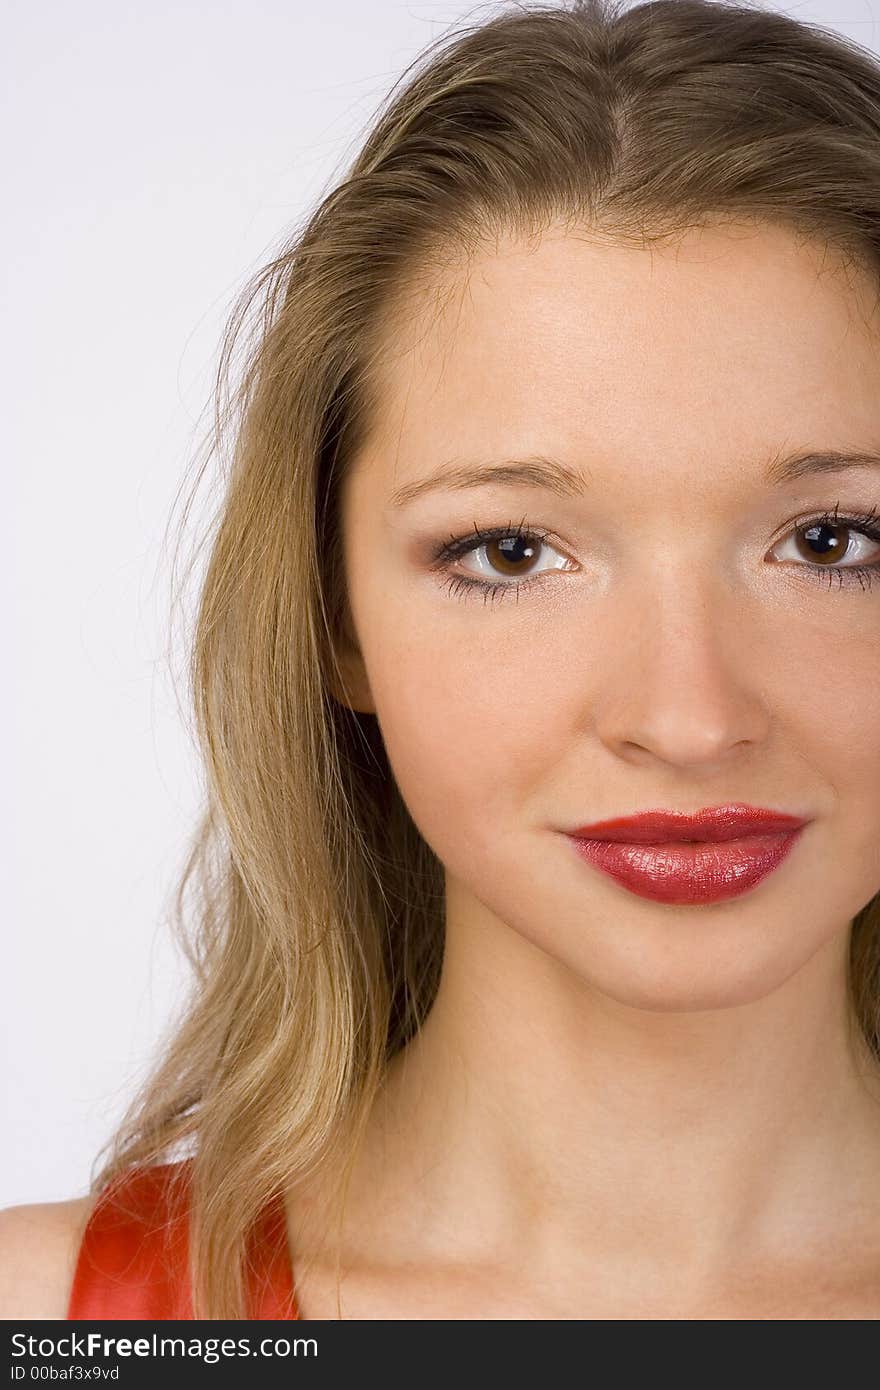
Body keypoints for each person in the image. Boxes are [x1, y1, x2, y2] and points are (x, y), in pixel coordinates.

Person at [4, 0, 880, 1321]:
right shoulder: (62, 1323)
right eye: (515, 552)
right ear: (334, 615)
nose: (690, 717)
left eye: (831, 539)